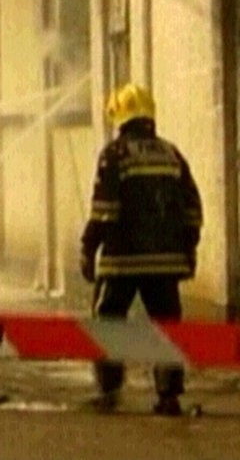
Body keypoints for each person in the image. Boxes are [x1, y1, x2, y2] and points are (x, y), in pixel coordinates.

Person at [80, 84, 202, 416]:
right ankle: (168, 396)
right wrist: (188, 251)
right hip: (166, 262)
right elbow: (193, 209)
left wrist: (87, 247)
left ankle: (109, 390)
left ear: (119, 118)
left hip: (122, 261)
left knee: (108, 322)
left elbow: (105, 210)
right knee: (167, 326)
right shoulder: (172, 153)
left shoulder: (115, 154)